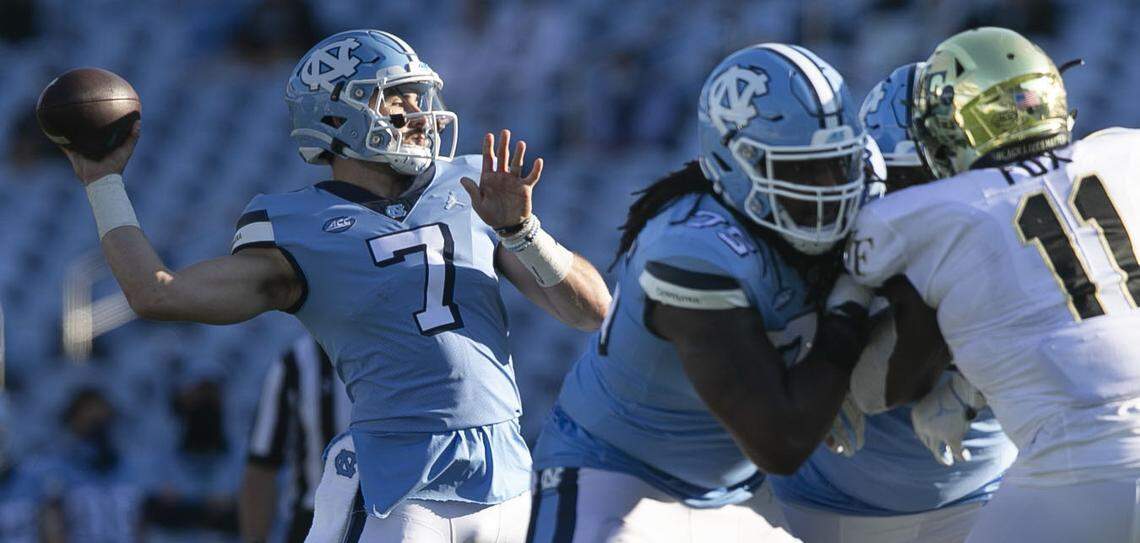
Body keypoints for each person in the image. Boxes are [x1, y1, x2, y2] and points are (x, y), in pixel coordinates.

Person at [55, 29, 611, 542]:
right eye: (397, 98)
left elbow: (592, 311)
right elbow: (157, 293)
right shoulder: (297, 225)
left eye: (419, 97)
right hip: (399, 483)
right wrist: (104, 182)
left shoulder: (470, 186)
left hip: (506, 475)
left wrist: (522, 231)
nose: (420, 113)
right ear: (338, 115)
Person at [527, 43, 874, 542]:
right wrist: (850, 311)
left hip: (739, 497)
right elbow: (781, 440)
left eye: (836, 164)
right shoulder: (692, 249)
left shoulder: (866, 187)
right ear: (735, 164)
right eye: (799, 170)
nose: (827, 189)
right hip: (620, 481)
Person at [845, 27, 1140, 542]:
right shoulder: (1121, 152)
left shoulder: (927, 215)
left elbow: (870, 388)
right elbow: (1069, 301)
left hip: (1073, 469)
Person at [768, 62, 1017, 543]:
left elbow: (1093, 333)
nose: (914, 200)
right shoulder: (834, 222)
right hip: (823, 507)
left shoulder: (1011, 222)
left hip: (989, 498)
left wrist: (972, 389)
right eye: (901, 179)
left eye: (934, 180)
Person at [240, 335, 350, 543]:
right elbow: (262, 464)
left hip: (389, 520)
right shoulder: (295, 363)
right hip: (313, 521)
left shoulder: (400, 355)